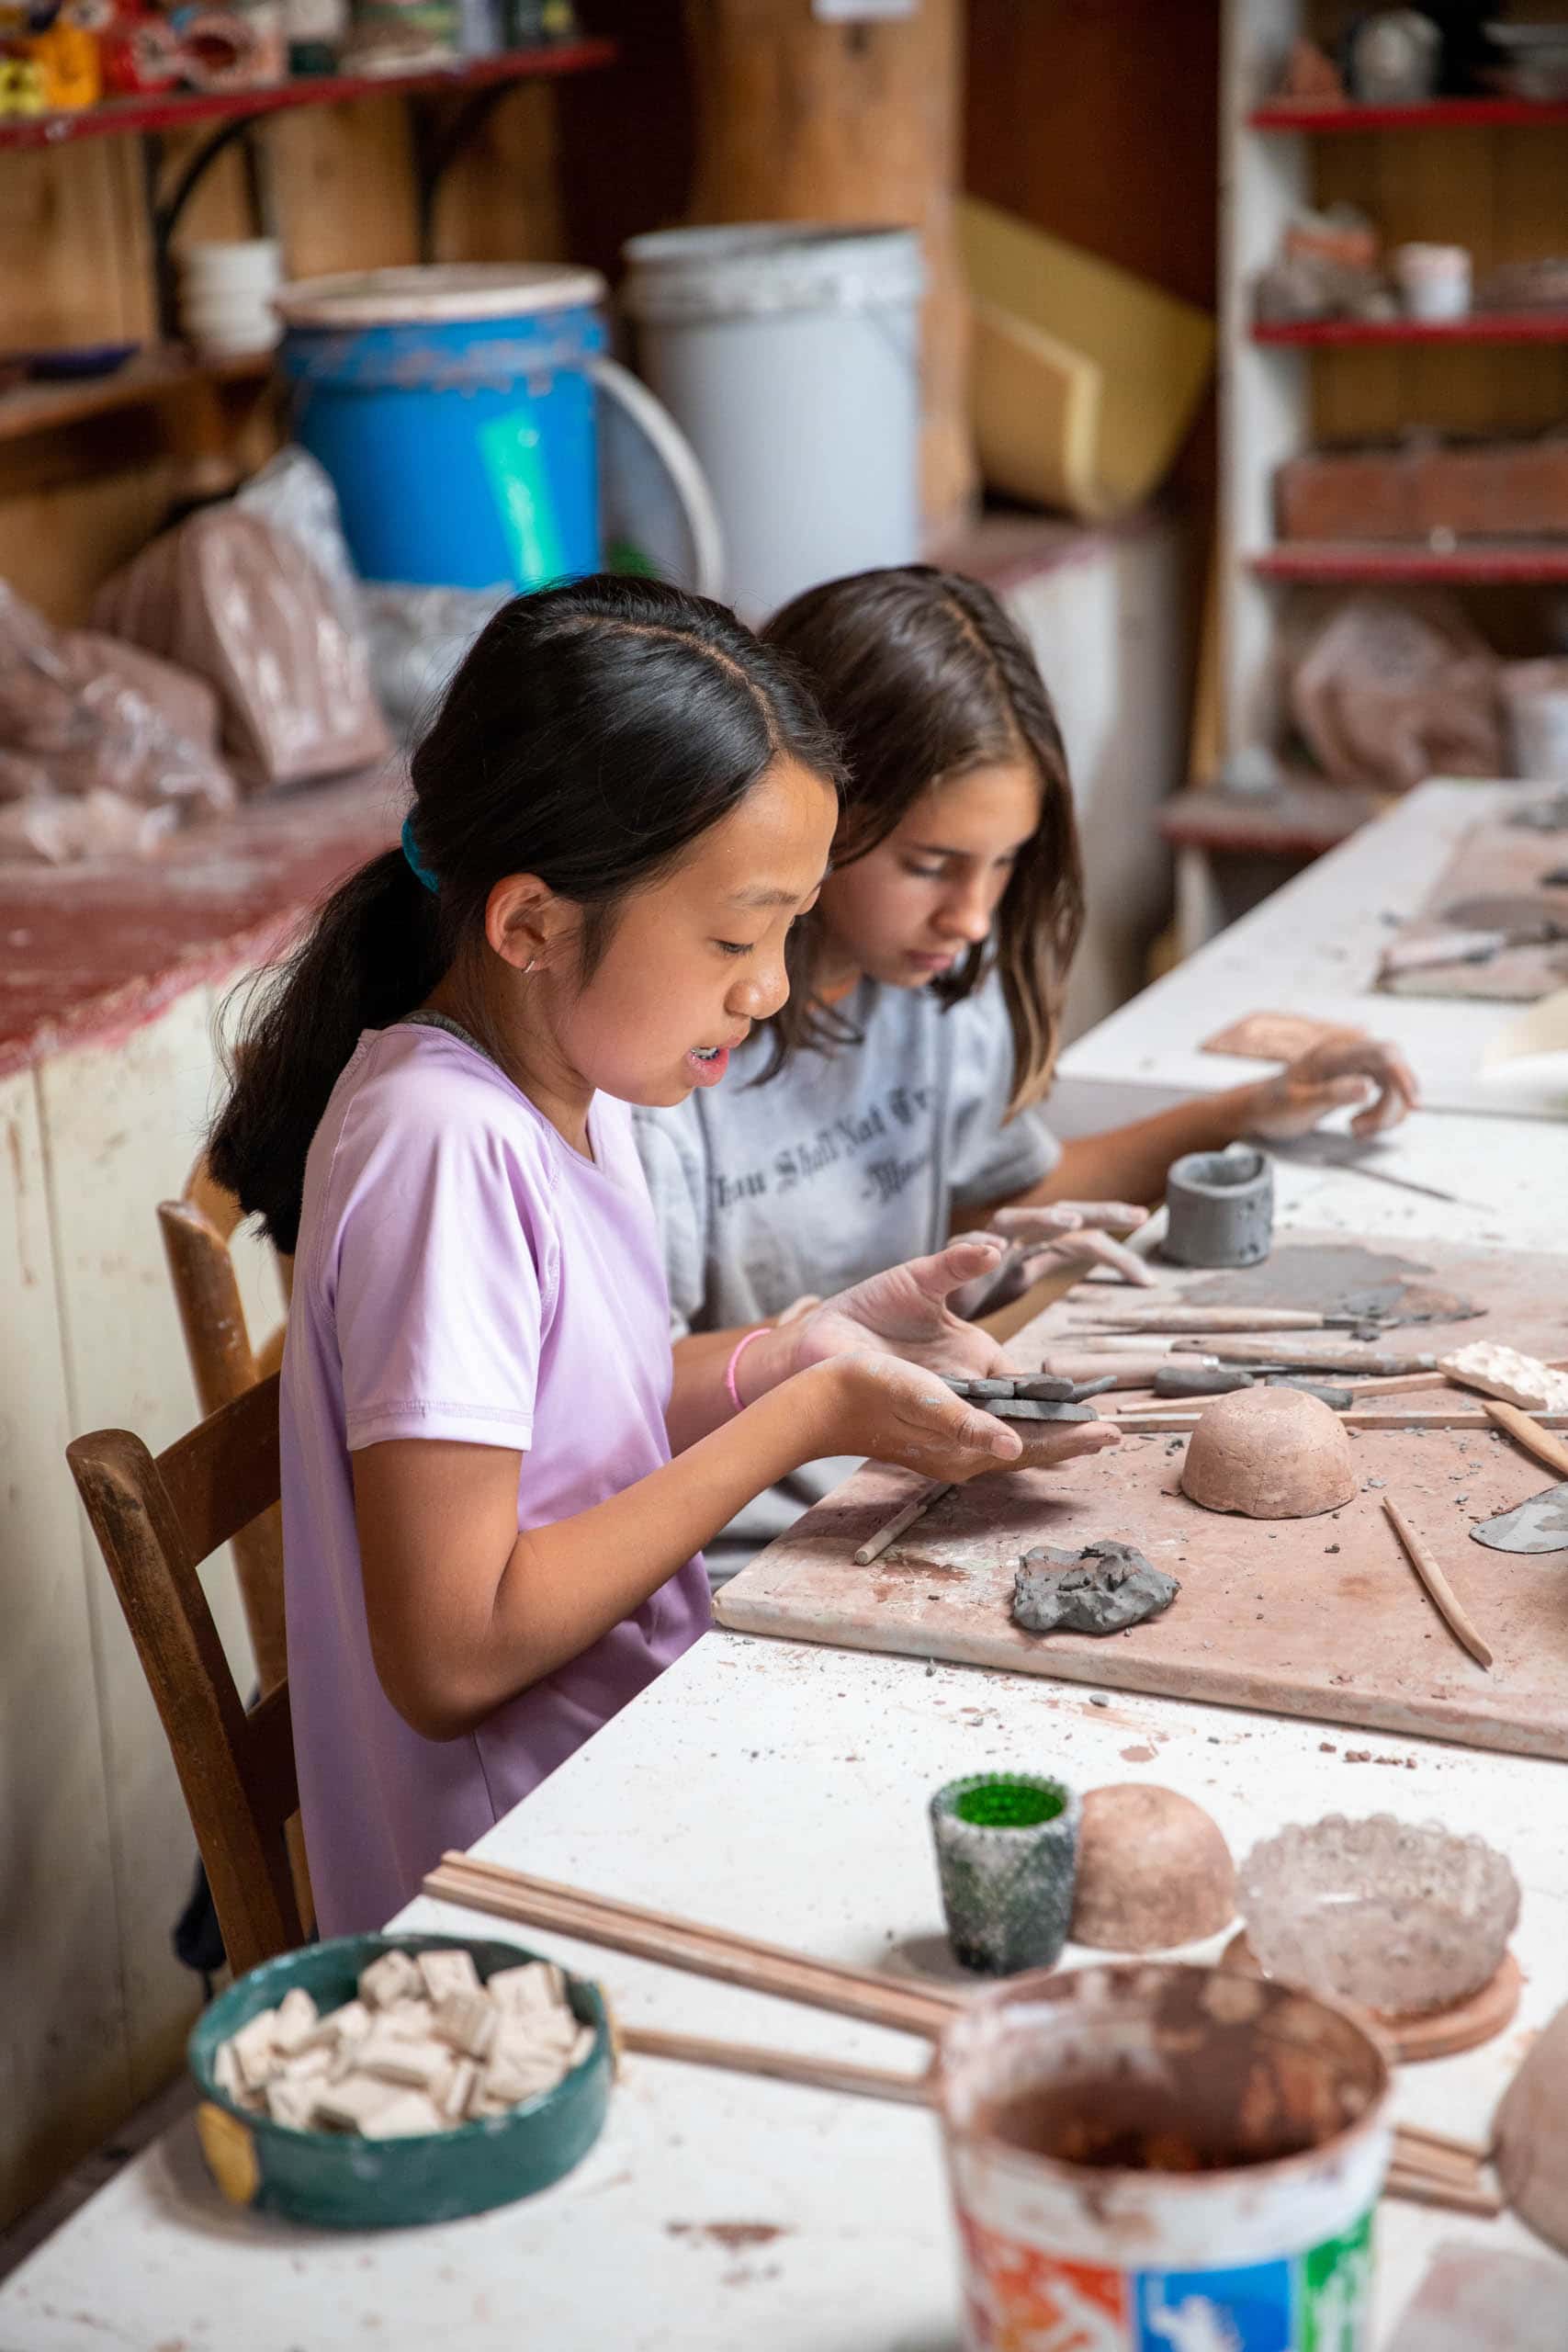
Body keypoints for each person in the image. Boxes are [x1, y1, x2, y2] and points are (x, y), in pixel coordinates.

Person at [207, 576, 1117, 1934]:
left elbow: (585, 1400)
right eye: (735, 937)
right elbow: (453, 1657)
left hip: (633, 1749)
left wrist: (801, 1347)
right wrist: (804, 1417)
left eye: (787, 930)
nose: (764, 988)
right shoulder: (442, 1148)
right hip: (509, 1878)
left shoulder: (579, 1080)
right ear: (529, 925)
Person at [636, 565, 1416, 1583]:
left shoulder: (938, 981)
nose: (971, 916)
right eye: (931, 863)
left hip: (909, 1473)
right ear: (814, 810)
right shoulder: (674, 1046)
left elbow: (1002, 1198)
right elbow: (625, 1392)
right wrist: (851, 1359)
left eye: (1006, 862)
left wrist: (1244, 1112)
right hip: (750, 1539)